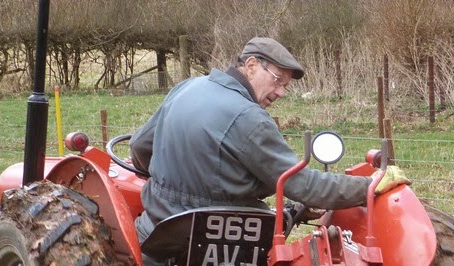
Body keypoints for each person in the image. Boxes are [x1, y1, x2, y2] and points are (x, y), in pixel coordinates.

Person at [129, 37, 401, 246]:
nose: (281, 92)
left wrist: (173, 178)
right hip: (223, 245)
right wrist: (370, 184)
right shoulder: (250, 119)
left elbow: (140, 147)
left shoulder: (186, 88)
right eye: (277, 80)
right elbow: (302, 184)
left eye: (286, 86)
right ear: (250, 66)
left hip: (155, 234)